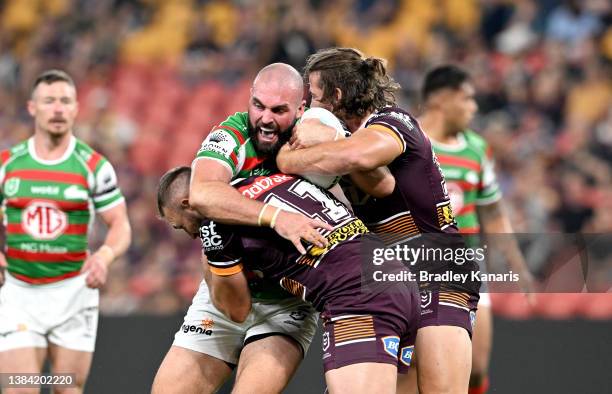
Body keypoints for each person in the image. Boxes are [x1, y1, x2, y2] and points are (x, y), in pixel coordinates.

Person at [276, 47, 481, 393]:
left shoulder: (392, 121)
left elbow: (358, 154)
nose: (308, 107)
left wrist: (326, 140)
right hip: (393, 280)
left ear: (337, 96)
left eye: (313, 96)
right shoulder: (343, 144)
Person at [158, 166, 420, 394]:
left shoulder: (217, 225)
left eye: (180, 226)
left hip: (357, 298)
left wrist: (213, 255)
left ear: (187, 203)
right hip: (395, 278)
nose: (189, 234)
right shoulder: (274, 178)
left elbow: (236, 309)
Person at [152, 63, 322, 394]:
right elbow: (204, 193)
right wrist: (274, 218)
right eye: (258, 106)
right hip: (229, 294)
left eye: (278, 109)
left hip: (286, 301)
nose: (265, 118)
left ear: (300, 109)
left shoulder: (316, 134)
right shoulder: (231, 134)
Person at [0, 69, 131, 393]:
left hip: (74, 291)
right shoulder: (8, 165)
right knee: (20, 387)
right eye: (49, 101)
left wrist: (104, 256)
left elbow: (120, 223)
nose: (57, 109)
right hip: (19, 290)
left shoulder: (93, 166)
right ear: (32, 107)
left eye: (65, 101)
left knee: (66, 388)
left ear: (75, 108)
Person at [418, 64, 536, 394]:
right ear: (441, 100)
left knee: (477, 366)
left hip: (467, 263)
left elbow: (493, 211)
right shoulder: (408, 141)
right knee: (416, 364)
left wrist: (518, 264)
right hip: (417, 263)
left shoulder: (476, 149)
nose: (474, 107)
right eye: (467, 99)